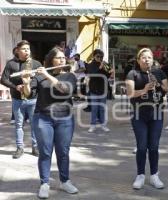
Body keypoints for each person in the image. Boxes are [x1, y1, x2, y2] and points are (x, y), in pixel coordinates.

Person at [22, 47, 78, 199]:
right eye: (58, 58)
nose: (61, 60)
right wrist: (26, 82)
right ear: (51, 60)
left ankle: (65, 181)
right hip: (43, 117)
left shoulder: (69, 75)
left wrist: (46, 74)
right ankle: (44, 183)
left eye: (63, 58)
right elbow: (28, 94)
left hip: (65, 118)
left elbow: (65, 90)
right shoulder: (39, 77)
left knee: (63, 152)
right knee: (45, 152)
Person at [126, 48, 168, 189]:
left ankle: (154, 175)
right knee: (142, 146)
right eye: (143, 57)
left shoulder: (159, 72)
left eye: (149, 57)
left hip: (156, 113)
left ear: (152, 59)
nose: (146, 60)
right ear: (138, 60)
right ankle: (140, 175)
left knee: (154, 146)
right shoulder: (133, 74)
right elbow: (130, 94)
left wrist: (158, 83)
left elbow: (166, 89)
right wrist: (144, 89)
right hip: (139, 114)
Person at [1, 40, 42, 159]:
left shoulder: (36, 64)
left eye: (28, 49)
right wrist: (15, 87)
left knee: (35, 124)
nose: (27, 51)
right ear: (18, 50)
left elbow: (41, 81)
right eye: (24, 49)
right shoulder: (11, 64)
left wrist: (35, 78)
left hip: (33, 99)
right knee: (19, 125)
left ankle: (35, 147)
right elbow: (3, 80)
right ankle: (20, 147)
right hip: (17, 100)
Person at [86, 49, 114, 133]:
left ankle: (103, 125)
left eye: (101, 56)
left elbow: (107, 76)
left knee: (102, 108)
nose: (100, 58)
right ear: (94, 56)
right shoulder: (90, 65)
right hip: (94, 89)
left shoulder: (105, 64)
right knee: (94, 108)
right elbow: (93, 75)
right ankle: (92, 125)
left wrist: (110, 73)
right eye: (98, 56)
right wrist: (100, 67)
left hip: (103, 89)